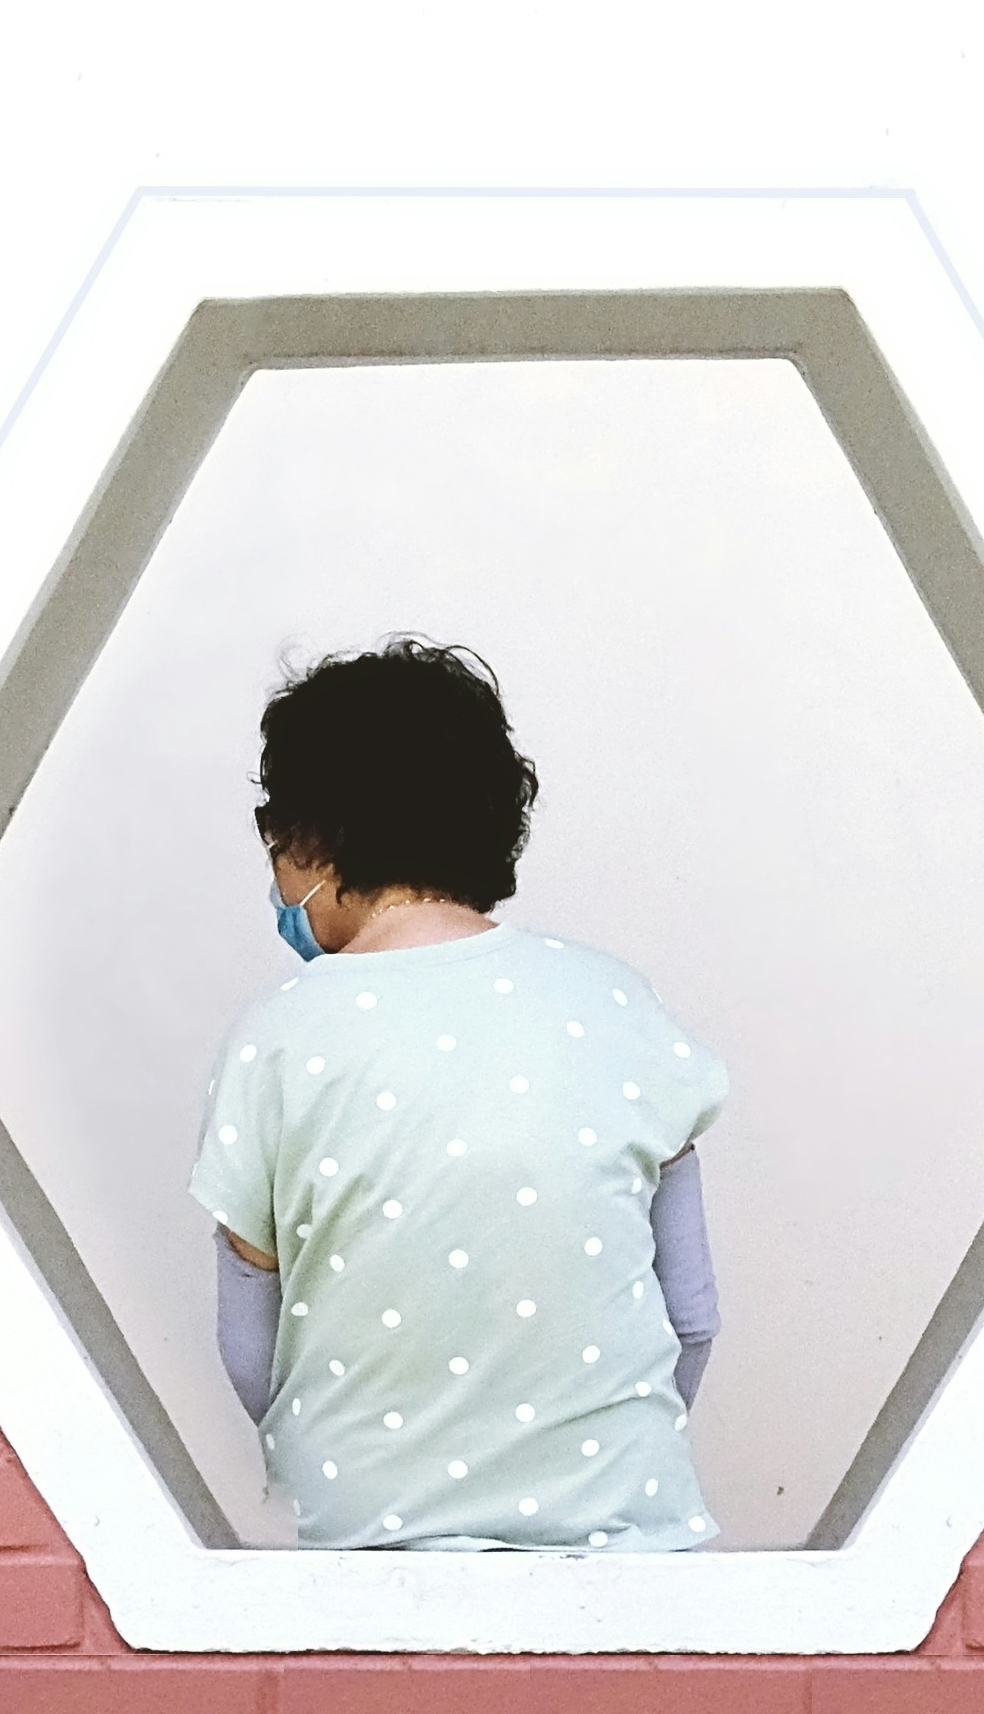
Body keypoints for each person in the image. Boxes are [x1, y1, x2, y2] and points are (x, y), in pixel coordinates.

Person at [185, 638, 726, 1551]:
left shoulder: (276, 1036)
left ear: (311, 838)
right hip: (624, 1530)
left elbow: (250, 1345)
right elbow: (692, 1315)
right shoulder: (615, 1002)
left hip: (362, 1537)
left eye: (278, 845)